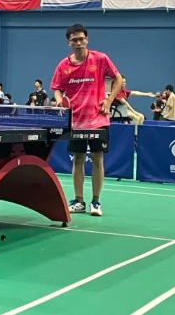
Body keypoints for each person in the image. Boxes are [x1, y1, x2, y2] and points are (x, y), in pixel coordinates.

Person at [51, 24, 122, 217]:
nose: (78, 43)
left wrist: (109, 100)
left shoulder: (100, 59)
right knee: (78, 159)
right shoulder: (63, 65)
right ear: (68, 42)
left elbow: (118, 79)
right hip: (75, 121)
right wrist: (60, 101)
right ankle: (78, 200)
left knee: (98, 158)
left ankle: (96, 201)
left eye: (81, 39)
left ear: (87, 39)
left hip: (98, 119)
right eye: (74, 40)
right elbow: (57, 88)